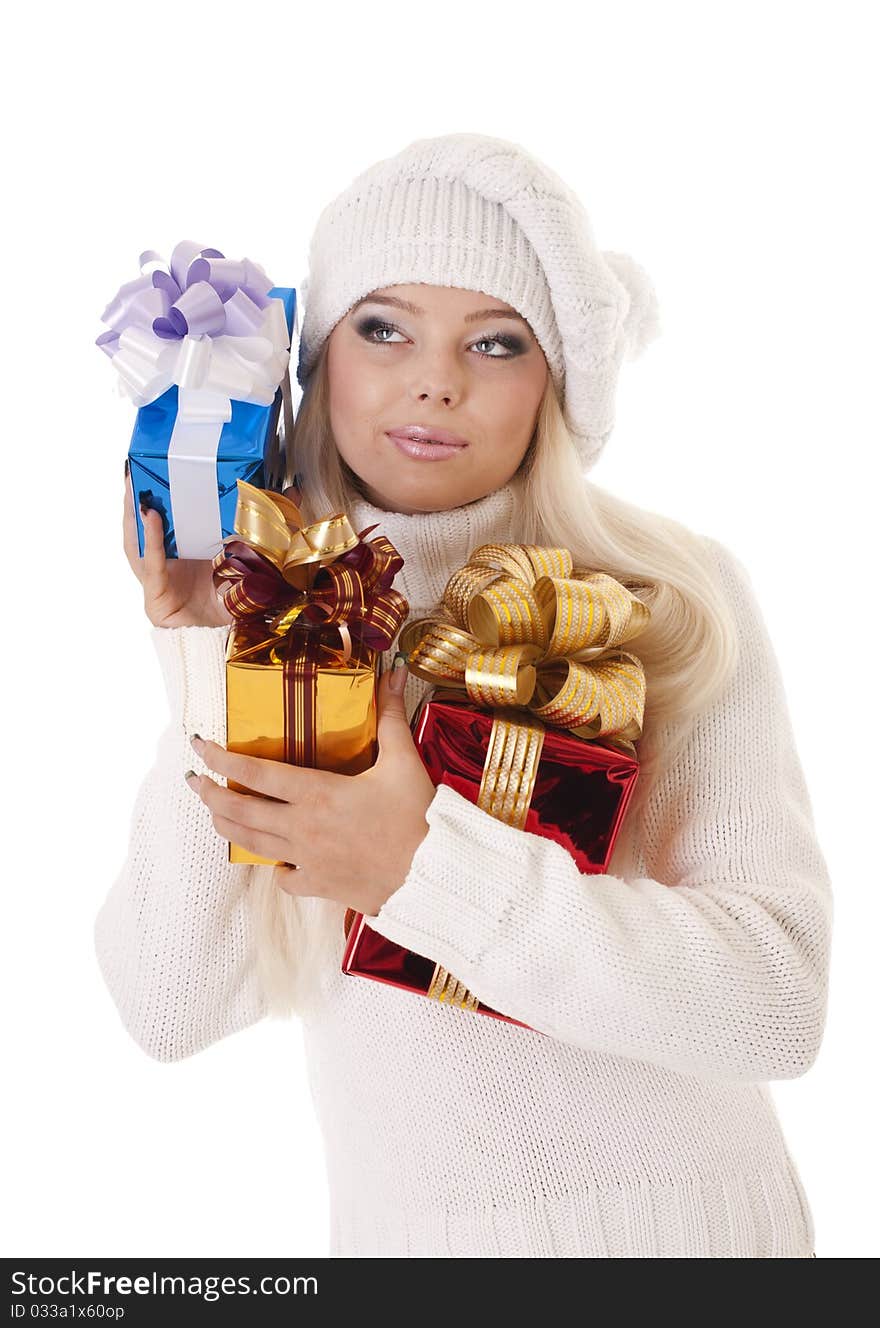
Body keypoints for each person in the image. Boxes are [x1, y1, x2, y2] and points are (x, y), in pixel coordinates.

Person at [94, 132, 832, 1258]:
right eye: (382, 327)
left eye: (496, 341)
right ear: (316, 359)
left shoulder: (665, 596)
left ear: (557, 381)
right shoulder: (290, 617)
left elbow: (774, 1000)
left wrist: (419, 867)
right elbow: (170, 1005)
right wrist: (208, 643)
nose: (436, 379)